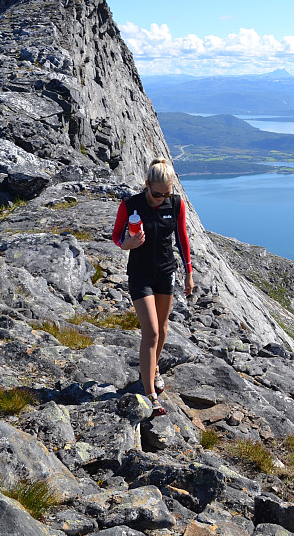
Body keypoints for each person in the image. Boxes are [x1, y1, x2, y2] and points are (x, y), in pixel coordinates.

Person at [111, 158, 194, 417]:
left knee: (163, 327)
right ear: (146, 185)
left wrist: (189, 274)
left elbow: (182, 238)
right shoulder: (130, 205)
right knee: (151, 333)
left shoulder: (176, 204)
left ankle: (154, 367)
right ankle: (150, 395)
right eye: (157, 194)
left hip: (166, 273)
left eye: (166, 193)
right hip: (140, 275)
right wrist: (128, 244)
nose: (161, 198)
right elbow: (116, 236)